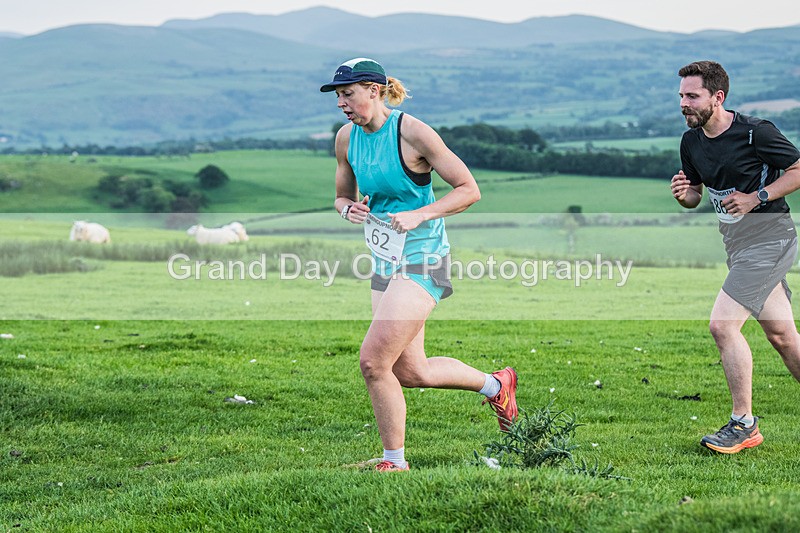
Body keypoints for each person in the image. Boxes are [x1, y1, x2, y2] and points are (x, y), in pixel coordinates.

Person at [321, 57, 518, 471]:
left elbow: (469, 190)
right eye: (338, 95)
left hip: (425, 258)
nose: (342, 102)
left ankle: (395, 462)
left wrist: (421, 214)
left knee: (374, 362)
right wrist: (348, 210)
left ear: (374, 90)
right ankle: (497, 385)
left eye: (348, 93)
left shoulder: (412, 133)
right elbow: (341, 196)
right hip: (385, 259)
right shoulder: (346, 138)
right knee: (412, 371)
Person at [670, 60, 800, 454]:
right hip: (739, 247)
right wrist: (685, 195)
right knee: (783, 337)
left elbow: (797, 168)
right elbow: (695, 196)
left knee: (722, 326)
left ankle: (744, 424)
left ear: (717, 97)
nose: (684, 104)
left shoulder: (755, 133)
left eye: (692, 96)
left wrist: (757, 197)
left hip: (771, 239)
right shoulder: (691, 141)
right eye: (681, 96)